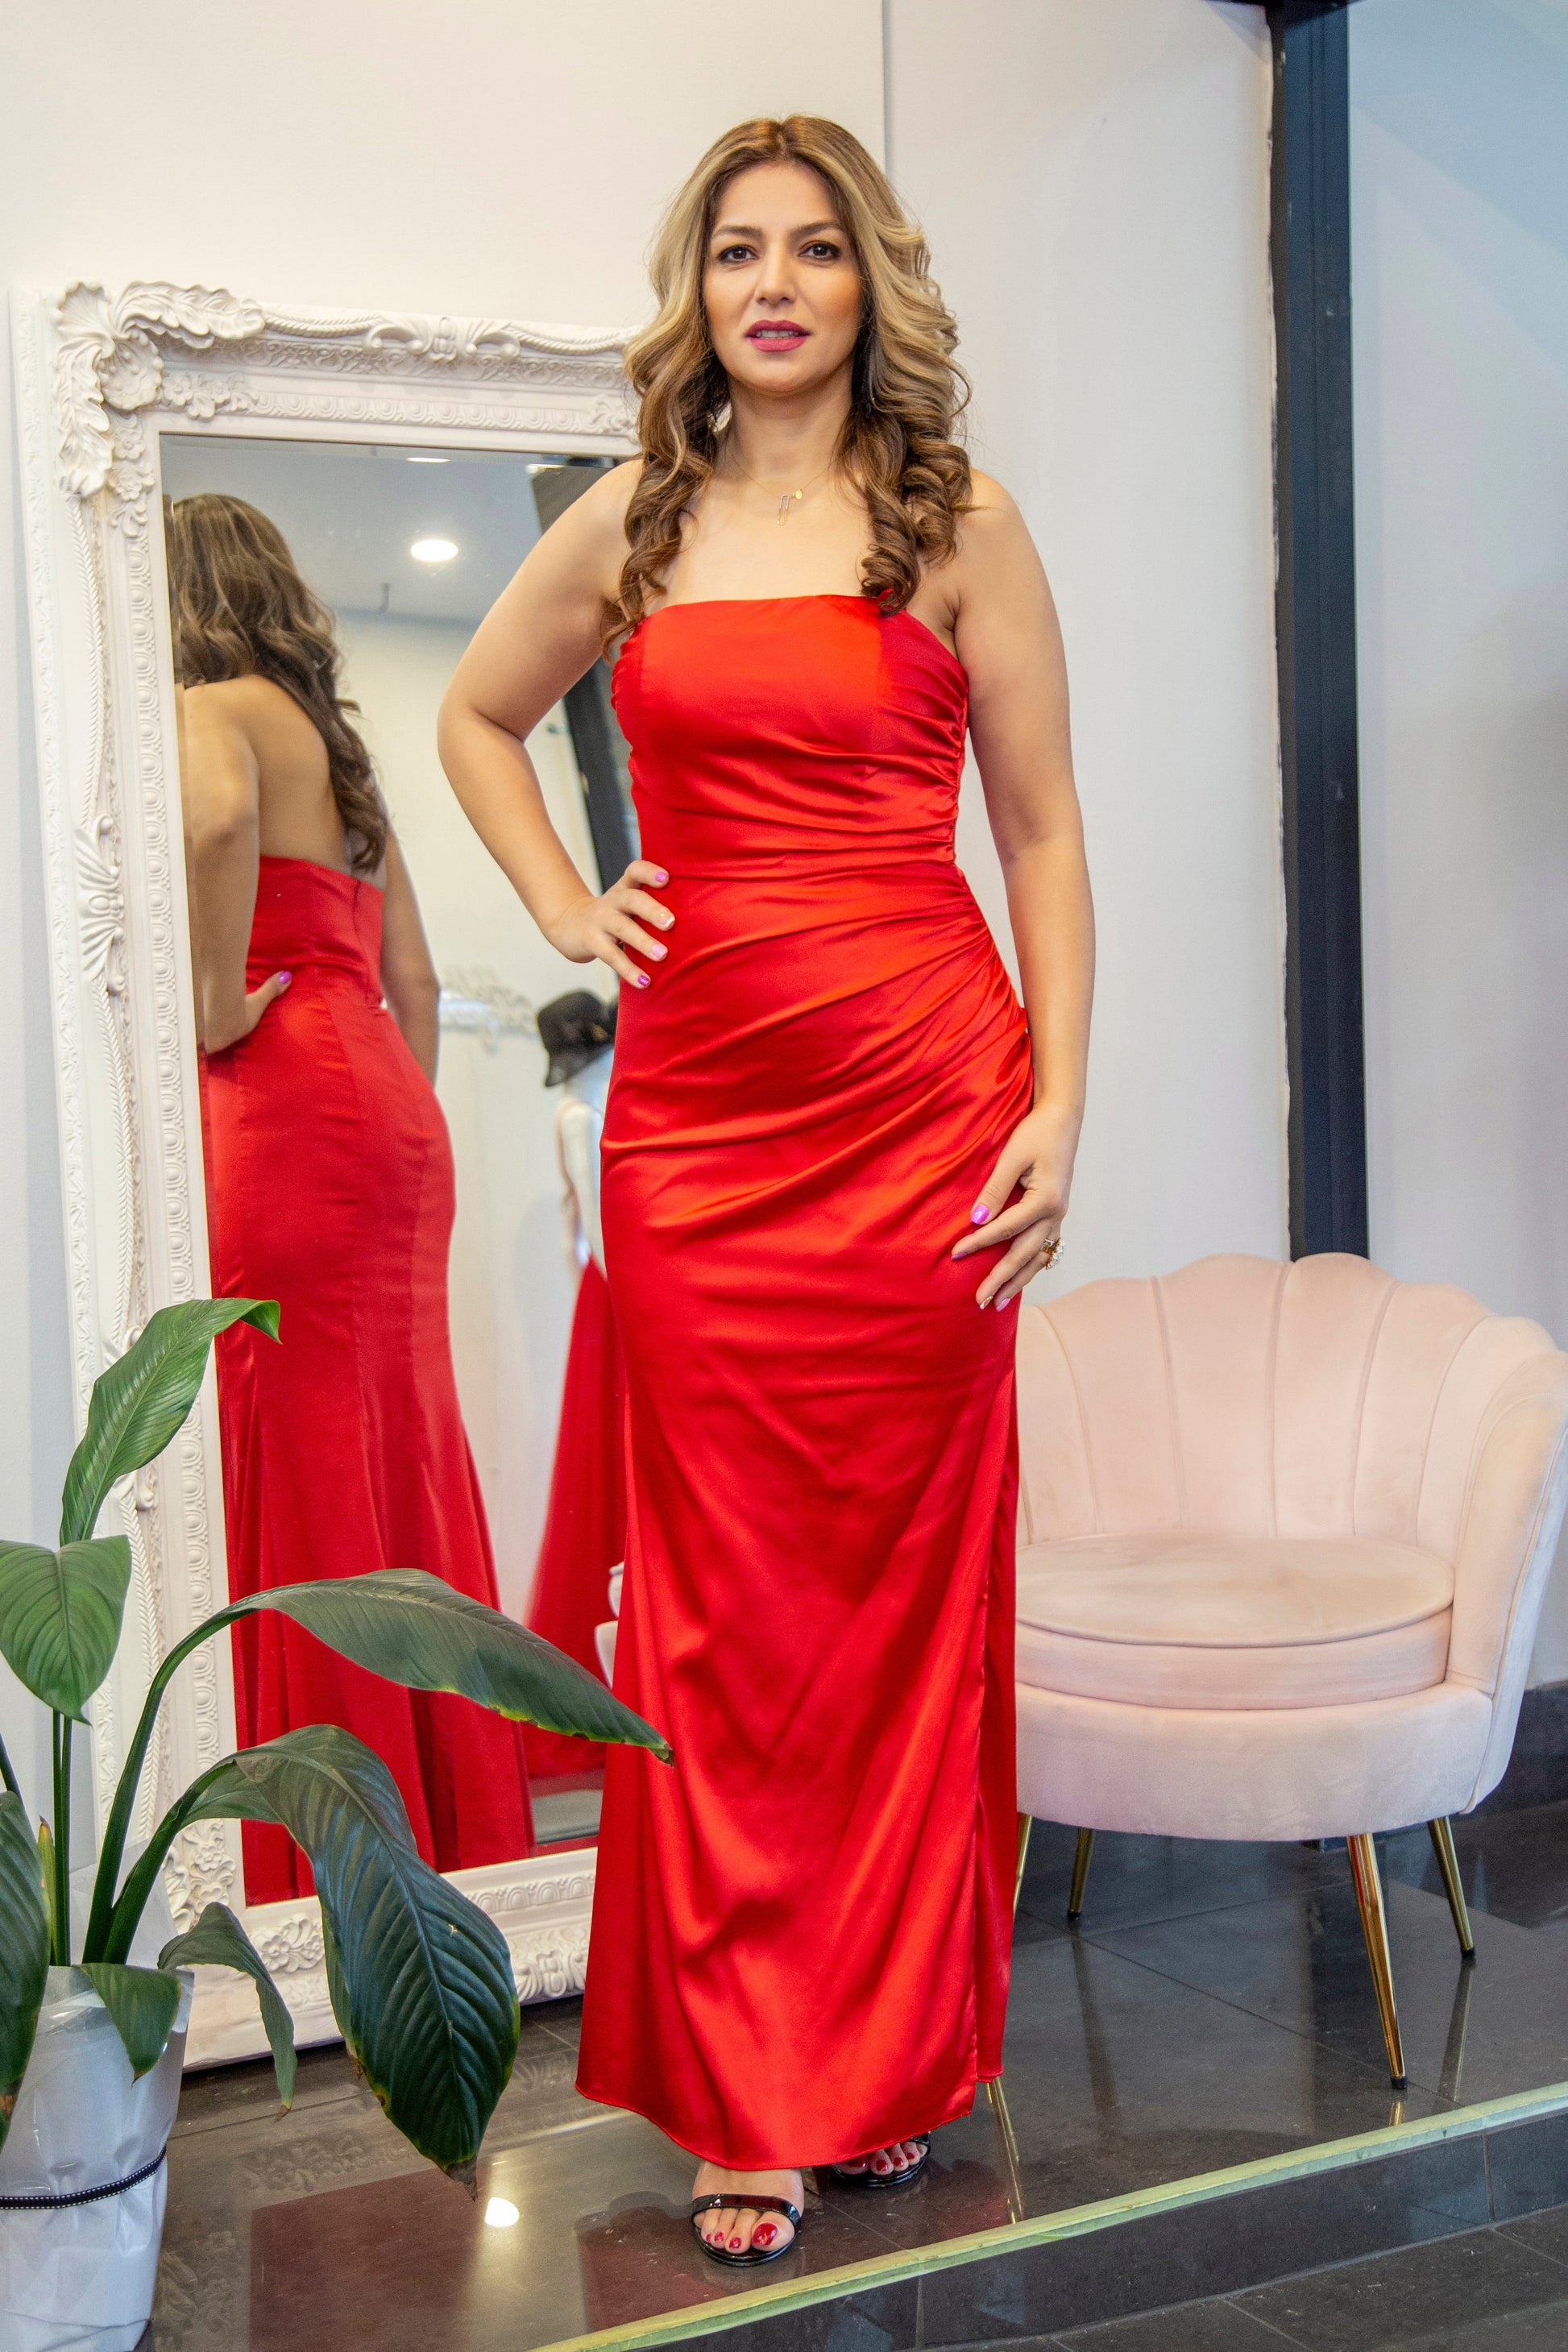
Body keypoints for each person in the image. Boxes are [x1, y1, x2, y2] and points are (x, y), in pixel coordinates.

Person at [438, 115, 1093, 2263]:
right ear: (697, 286)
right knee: (719, 1617)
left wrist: (1062, 1110)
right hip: (706, 1136)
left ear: (866, 281)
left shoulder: (962, 524)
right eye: (739, 251)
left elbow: (1044, 836)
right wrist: (564, 903)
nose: (777, 283)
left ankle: (878, 2061)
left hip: (924, 1110)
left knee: (895, 1622)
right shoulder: (638, 515)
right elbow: (473, 713)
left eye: (815, 249)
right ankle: (748, 2086)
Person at [170, 491, 534, 1902]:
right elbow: (420, 984)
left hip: (279, 1097)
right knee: (399, 1446)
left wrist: (210, 1008)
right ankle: (451, 1816)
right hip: (381, 1098)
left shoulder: (214, 707)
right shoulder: (338, 749)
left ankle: (326, 1856)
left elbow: (208, 825)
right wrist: (397, 1108)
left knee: (299, 1445)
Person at [523, 989, 625, 1786]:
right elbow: (596, 1230)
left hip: (605, 1293)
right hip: (621, 1294)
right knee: (610, 1470)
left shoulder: (576, 1107)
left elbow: (580, 1236)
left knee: (602, 1470)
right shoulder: (585, 1113)